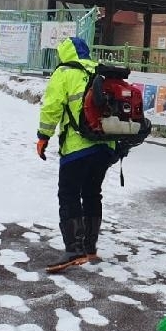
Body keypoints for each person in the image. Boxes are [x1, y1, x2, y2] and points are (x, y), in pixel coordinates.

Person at [36, 36, 148, 273]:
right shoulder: (100, 71)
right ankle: (89, 247)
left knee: (68, 193)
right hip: (106, 146)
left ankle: (73, 249)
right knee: (91, 192)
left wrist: (43, 136)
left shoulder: (65, 72)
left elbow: (52, 107)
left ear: (64, 53)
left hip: (77, 147)